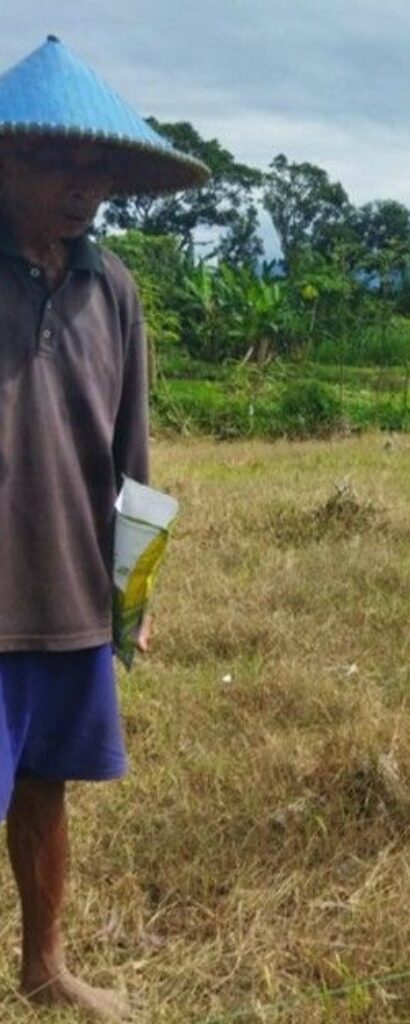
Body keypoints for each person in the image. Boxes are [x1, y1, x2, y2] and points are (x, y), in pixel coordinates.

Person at [0, 37, 207, 1018]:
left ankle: (44, 967)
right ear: (7, 158)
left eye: (99, 168)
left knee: (46, 787)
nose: (83, 186)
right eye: (57, 161)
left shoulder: (111, 287)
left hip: (72, 590)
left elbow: (136, 458)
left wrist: (137, 593)